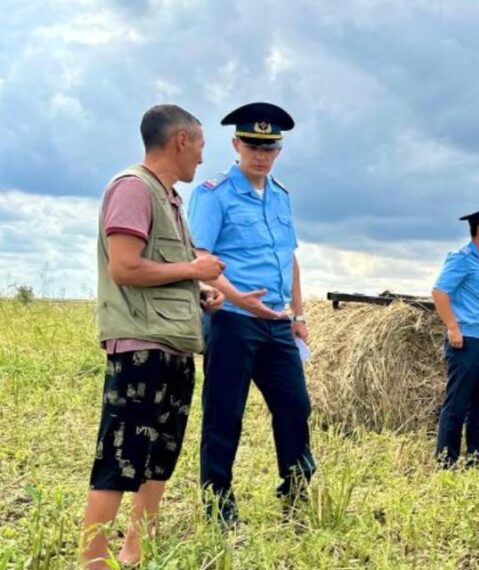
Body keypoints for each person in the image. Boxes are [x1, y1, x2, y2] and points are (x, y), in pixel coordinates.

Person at [82, 104, 225, 569]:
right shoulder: (133, 189)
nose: (202, 158)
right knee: (120, 458)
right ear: (181, 140)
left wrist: (197, 290)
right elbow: (125, 268)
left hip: (173, 346)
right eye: (201, 146)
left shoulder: (171, 200)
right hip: (140, 348)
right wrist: (195, 268)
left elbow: (161, 271)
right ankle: (93, 561)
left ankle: (136, 552)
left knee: (158, 458)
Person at [187, 102, 315, 526]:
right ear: (236, 144)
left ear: (279, 150)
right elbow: (200, 255)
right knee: (225, 413)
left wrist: (298, 314)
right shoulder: (213, 193)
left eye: (270, 147)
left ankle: (295, 491)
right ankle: (218, 505)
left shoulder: (280, 195)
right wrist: (238, 299)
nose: (261, 155)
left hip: (277, 322)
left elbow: (289, 258)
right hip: (232, 320)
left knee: (296, 406)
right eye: (253, 145)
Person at [430, 200, 479, 468]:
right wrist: (453, 327)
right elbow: (439, 292)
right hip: (465, 342)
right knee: (457, 405)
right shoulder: (461, 259)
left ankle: (475, 459)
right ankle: (446, 462)